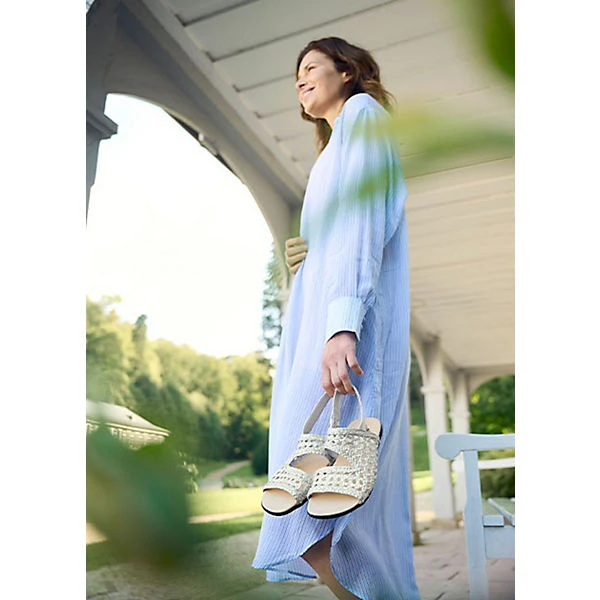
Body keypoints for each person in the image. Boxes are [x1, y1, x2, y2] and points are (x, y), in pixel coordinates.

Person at [252, 37, 421, 600]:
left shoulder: (363, 115)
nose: (299, 79)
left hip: (347, 339)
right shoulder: (333, 148)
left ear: (346, 72)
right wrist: (306, 255)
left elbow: (364, 223)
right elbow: (342, 232)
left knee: (322, 517)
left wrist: (343, 326)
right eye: (296, 73)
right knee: (308, 505)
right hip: (320, 334)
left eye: (311, 67)